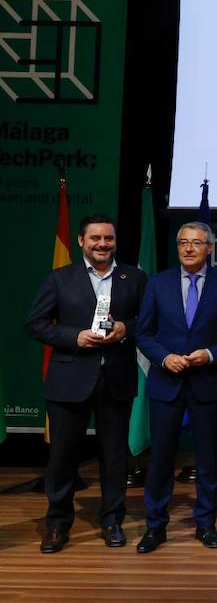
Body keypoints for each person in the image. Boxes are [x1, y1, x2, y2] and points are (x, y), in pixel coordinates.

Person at [25, 213, 148, 553]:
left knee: (114, 458)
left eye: (108, 238)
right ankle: (57, 523)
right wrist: (74, 336)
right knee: (63, 458)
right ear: (81, 241)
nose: (102, 244)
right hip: (69, 379)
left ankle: (112, 521)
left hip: (117, 380)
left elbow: (148, 321)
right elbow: (35, 324)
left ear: (115, 241)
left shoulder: (134, 278)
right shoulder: (59, 279)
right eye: (95, 238)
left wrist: (125, 328)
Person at [134, 222, 217, 553]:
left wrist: (210, 354)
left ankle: (206, 524)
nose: (189, 248)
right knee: (161, 459)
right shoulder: (158, 282)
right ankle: (155, 526)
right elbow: (143, 333)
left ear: (210, 248)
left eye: (196, 243)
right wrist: (164, 358)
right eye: (183, 243)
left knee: (208, 460)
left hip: (209, 382)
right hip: (167, 383)